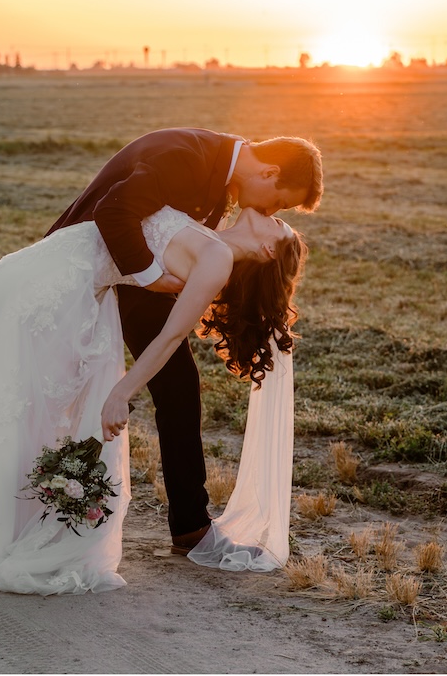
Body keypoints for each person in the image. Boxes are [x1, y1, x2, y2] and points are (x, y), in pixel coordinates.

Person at [0, 185, 310, 594]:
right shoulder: (210, 230)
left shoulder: (217, 261)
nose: (277, 214)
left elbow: (170, 337)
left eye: (281, 223)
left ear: (271, 249)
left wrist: (122, 393)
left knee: (8, 389)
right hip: (57, 263)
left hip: (66, 285)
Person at [46, 128, 323, 554]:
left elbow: (189, 266)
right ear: (269, 172)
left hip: (132, 276)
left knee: (178, 386)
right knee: (47, 381)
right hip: (89, 267)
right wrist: (154, 279)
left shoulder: (223, 187)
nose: (273, 211)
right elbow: (115, 211)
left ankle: (190, 526)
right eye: (281, 203)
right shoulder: (187, 158)